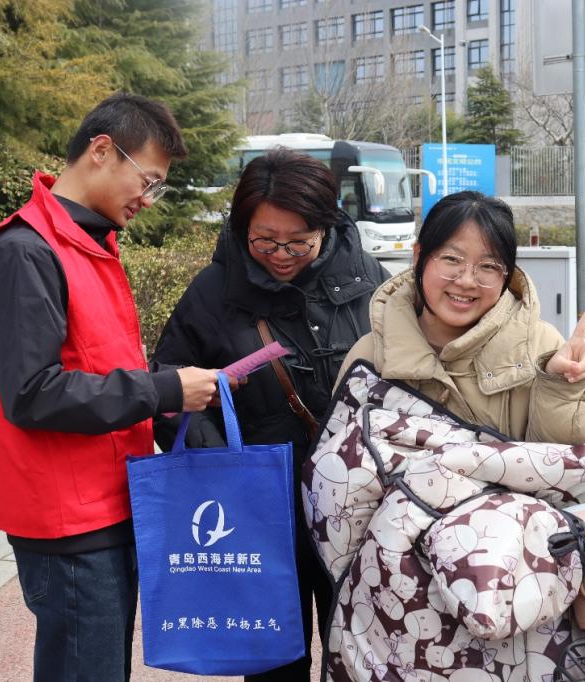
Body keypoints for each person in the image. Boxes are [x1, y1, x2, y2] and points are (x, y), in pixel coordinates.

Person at [0, 92, 223, 682]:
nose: (148, 199)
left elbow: (102, 368)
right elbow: (33, 392)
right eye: (149, 180)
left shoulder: (90, 245)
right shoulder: (26, 251)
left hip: (106, 504)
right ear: (103, 151)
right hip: (69, 521)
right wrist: (164, 390)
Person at [151, 148, 390, 680]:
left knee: (358, 655)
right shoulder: (213, 293)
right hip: (259, 515)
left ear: (327, 226)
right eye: (264, 241)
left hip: (356, 510)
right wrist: (225, 467)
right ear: (242, 229)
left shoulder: (370, 281)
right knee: (273, 660)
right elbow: (168, 391)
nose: (281, 255)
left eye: (299, 241)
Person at [339, 190, 585, 444]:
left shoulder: (542, 347)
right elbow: (340, 463)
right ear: (419, 257)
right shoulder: (370, 356)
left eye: (488, 266)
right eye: (451, 259)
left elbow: (570, 465)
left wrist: (561, 386)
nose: (466, 281)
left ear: (506, 275)